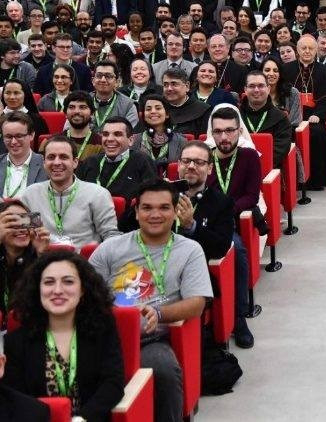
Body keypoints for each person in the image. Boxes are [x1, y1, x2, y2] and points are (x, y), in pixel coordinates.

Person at [89, 179, 214, 422]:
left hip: (152, 339)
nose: (155, 215)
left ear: (175, 212)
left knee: (163, 370)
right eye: (147, 208)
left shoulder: (190, 250)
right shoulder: (110, 248)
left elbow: (197, 303)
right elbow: (84, 295)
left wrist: (158, 313)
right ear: (136, 212)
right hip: (107, 336)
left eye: (164, 208)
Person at [4, 250, 124, 421]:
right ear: (38, 289)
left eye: (68, 281)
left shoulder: (102, 329)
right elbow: (16, 398)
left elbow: (113, 384)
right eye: (49, 282)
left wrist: (82, 418)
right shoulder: (15, 342)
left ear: (82, 289)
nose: (58, 290)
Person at [203, 105, 264, 346]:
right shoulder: (203, 157)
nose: (224, 137)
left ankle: (239, 317)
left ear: (239, 131)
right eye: (218, 132)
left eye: (229, 131)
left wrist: (225, 211)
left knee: (236, 250)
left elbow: (251, 196)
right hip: (204, 221)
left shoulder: (249, 157)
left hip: (232, 222)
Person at [20, 136, 120, 249]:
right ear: (44, 163)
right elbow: (25, 235)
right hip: (43, 257)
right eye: (51, 157)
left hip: (84, 258)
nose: (56, 162)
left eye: (63, 157)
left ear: (75, 162)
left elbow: (111, 236)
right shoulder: (30, 195)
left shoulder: (97, 194)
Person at [282, 35, 326, 190]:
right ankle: (292, 180)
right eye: (304, 48)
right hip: (291, 113)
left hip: (314, 114)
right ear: (297, 50)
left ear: (316, 50)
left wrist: (318, 115)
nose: (307, 51)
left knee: (317, 134)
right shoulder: (286, 69)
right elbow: (282, 95)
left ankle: (315, 181)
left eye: (311, 48)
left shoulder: (325, 71)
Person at [76, 117, 157, 203]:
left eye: (117, 134)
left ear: (130, 140)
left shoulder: (142, 161)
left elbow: (151, 198)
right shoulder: (90, 162)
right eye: (106, 134)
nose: (110, 139)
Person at [0, 199, 50, 315]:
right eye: (12, 223)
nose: (22, 229)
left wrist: (41, 254)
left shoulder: (41, 257)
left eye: (25, 221)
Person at [240, 71, 292, 168]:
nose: (256, 90)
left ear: (268, 89)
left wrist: (257, 165)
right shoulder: (235, 117)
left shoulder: (281, 118)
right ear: (245, 90)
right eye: (251, 86)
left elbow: (280, 150)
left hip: (270, 169)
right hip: (240, 167)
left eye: (261, 86)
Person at [131, 94, 188, 176]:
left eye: (158, 108)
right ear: (143, 116)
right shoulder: (134, 140)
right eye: (148, 109)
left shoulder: (181, 141)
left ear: (167, 114)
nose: (153, 111)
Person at [0, 111, 47, 198]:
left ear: (32, 135)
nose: (13, 142)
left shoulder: (46, 164)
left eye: (19, 136)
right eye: (8, 137)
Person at [88, 61, 139, 131]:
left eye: (108, 76)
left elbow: (129, 133)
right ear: (93, 80)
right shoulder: (83, 101)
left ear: (117, 82)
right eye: (99, 76)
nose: (103, 80)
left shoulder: (128, 105)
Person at [161, 68, 211, 138]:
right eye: (165, 85)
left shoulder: (203, 110)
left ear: (187, 86)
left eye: (174, 84)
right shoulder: (158, 108)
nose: (169, 88)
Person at [0, 80, 47, 144]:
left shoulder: (36, 120)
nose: (12, 97)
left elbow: (43, 144)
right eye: (8, 93)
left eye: (16, 93)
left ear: (25, 95)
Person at [262, 56, 302, 127]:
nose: (271, 74)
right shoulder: (256, 92)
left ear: (280, 74)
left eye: (275, 71)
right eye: (267, 70)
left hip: (287, 132)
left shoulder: (292, 93)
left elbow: (295, 121)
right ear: (261, 73)